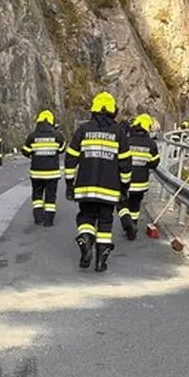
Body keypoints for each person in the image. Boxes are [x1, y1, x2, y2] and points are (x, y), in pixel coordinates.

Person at [64, 91, 132, 272]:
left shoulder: (83, 130)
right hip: (109, 189)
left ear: (93, 109)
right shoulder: (119, 133)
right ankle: (101, 261)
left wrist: (69, 183)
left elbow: (70, 159)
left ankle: (86, 239)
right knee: (105, 222)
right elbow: (125, 165)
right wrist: (125, 187)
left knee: (86, 217)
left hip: (85, 187)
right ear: (113, 110)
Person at [118, 113, 160, 240]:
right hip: (141, 183)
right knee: (135, 205)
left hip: (125, 180)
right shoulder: (151, 144)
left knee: (121, 203)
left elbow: (119, 160)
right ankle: (133, 227)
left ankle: (127, 224)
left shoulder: (126, 141)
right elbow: (154, 163)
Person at [21, 109, 66, 226]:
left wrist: (34, 153)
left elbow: (25, 152)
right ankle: (48, 221)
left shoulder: (32, 136)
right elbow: (62, 150)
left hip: (36, 172)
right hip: (52, 173)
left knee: (37, 195)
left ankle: (38, 218)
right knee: (50, 197)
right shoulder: (58, 136)